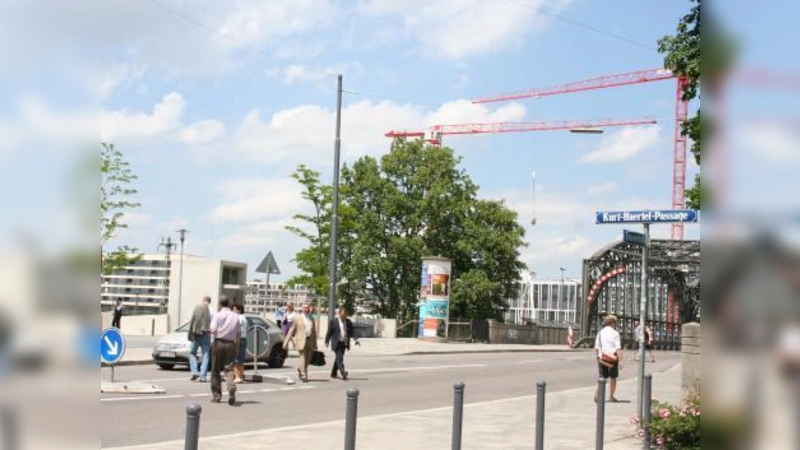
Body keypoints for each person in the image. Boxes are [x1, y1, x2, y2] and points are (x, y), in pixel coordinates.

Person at [209, 295, 241, 405]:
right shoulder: (235, 316)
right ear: (229, 304)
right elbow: (238, 334)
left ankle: (217, 396)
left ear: (220, 304)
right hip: (230, 344)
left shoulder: (217, 315)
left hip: (218, 343)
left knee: (215, 370)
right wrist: (236, 347)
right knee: (229, 368)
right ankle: (231, 386)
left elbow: (213, 330)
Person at [283, 304, 317, 383]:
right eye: (305, 308)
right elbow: (291, 330)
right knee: (303, 357)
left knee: (308, 359)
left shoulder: (312, 318)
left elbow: (314, 332)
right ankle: (303, 374)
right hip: (300, 340)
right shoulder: (297, 318)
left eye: (307, 308)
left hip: (310, 341)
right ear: (302, 309)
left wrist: (315, 343)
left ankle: (300, 368)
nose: (306, 309)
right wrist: (286, 342)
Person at [325, 306, 360, 380]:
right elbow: (329, 332)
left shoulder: (348, 322)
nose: (344, 316)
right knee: (340, 358)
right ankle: (343, 372)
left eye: (345, 315)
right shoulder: (333, 322)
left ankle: (333, 373)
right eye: (342, 315)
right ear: (339, 313)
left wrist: (356, 339)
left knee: (338, 358)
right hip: (336, 343)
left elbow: (352, 331)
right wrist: (327, 341)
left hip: (344, 343)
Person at [594, 314, 623, 403]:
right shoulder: (615, 333)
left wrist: (598, 357)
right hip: (612, 358)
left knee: (602, 377)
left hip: (602, 357)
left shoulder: (600, 333)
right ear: (612, 323)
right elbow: (618, 348)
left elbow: (596, 347)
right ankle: (611, 396)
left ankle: (597, 393)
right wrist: (621, 360)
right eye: (616, 323)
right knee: (613, 378)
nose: (616, 324)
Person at [188, 296, 212, 382]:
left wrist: (190, 334)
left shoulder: (197, 307)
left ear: (203, 300)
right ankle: (203, 376)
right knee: (205, 355)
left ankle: (194, 372)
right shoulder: (212, 310)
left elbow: (192, 321)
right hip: (207, 334)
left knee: (192, 353)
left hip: (197, 334)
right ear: (210, 301)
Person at [231, 304, 248, 384]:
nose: (233, 311)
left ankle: (237, 377)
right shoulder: (244, 317)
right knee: (241, 360)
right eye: (233, 309)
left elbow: (235, 329)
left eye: (235, 309)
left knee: (234, 359)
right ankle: (240, 376)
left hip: (238, 339)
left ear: (239, 310)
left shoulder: (238, 318)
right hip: (244, 339)